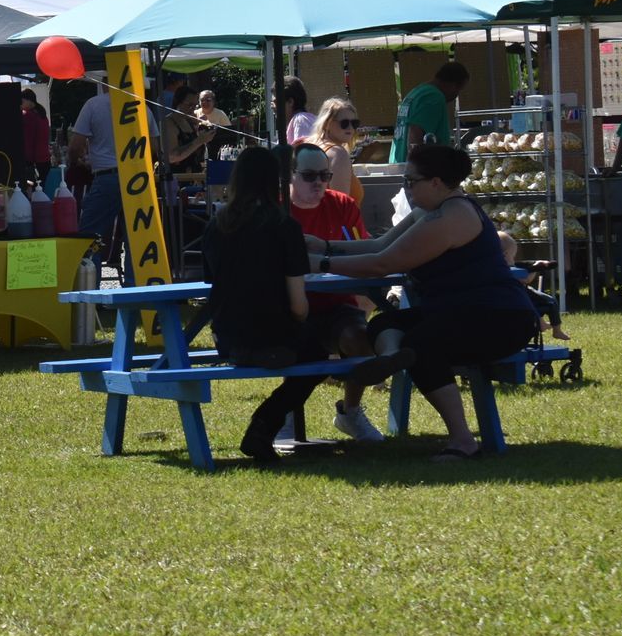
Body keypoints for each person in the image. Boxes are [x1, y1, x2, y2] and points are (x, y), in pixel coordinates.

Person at [314, 143, 538, 461]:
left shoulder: (453, 216)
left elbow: (383, 263)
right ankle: (393, 357)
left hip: (500, 319)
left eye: (411, 180)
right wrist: (323, 246)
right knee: (384, 323)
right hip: (459, 313)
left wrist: (319, 263)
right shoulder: (432, 210)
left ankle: (463, 442)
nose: (406, 187)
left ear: (435, 182)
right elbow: (379, 244)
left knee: (423, 347)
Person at [199, 147, 328, 463]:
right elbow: (298, 305)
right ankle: (264, 423)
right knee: (319, 355)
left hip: (227, 337)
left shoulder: (216, 225)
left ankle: (265, 426)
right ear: (275, 181)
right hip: (275, 332)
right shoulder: (285, 227)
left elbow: (209, 281)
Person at [288, 143, 383, 442]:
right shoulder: (277, 210)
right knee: (291, 347)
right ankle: (286, 414)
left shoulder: (343, 205)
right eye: (308, 175)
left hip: (338, 304)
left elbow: (362, 251)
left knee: (360, 342)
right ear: (290, 175)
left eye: (324, 175)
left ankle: (350, 412)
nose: (318, 182)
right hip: (288, 305)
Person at [68, 78, 164, 269]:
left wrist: (77, 161)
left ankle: (90, 290)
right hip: (138, 177)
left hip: (107, 177)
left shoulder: (93, 104)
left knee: (89, 238)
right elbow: (155, 147)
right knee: (137, 240)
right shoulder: (142, 106)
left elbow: (76, 145)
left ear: (104, 83)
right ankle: (134, 292)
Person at [498, 230, 570, 342]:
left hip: (507, 299)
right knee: (550, 302)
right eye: (513, 256)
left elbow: (519, 267)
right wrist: (536, 268)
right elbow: (526, 280)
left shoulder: (493, 267)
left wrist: (534, 265)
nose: (513, 259)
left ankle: (543, 323)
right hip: (518, 297)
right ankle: (556, 330)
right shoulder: (507, 270)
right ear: (505, 255)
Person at [389, 61, 469, 162]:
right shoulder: (433, 97)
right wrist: (416, 170)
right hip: (416, 170)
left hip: (401, 164)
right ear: (453, 85)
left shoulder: (417, 92)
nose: (456, 96)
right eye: (459, 90)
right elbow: (415, 133)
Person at [306, 97, 365, 206]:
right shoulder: (338, 154)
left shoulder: (308, 145)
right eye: (344, 123)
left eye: (354, 123)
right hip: (340, 222)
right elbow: (341, 208)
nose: (350, 128)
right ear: (327, 123)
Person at [164, 84, 215, 179]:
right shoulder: (169, 123)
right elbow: (172, 157)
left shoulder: (189, 121)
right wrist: (199, 141)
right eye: (189, 105)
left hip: (194, 179)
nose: (193, 109)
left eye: (195, 106)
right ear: (178, 103)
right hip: (176, 180)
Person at [20, 88, 53, 184]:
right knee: (41, 190)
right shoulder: (42, 115)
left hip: (34, 161)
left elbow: (27, 141)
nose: (20, 105)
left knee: (32, 191)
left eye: (22, 101)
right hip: (45, 160)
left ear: (29, 101)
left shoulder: (29, 116)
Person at [283, 77, 316, 147]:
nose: (272, 106)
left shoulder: (301, 120)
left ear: (290, 102)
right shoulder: (299, 120)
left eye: (275, 102)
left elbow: (304, 155)